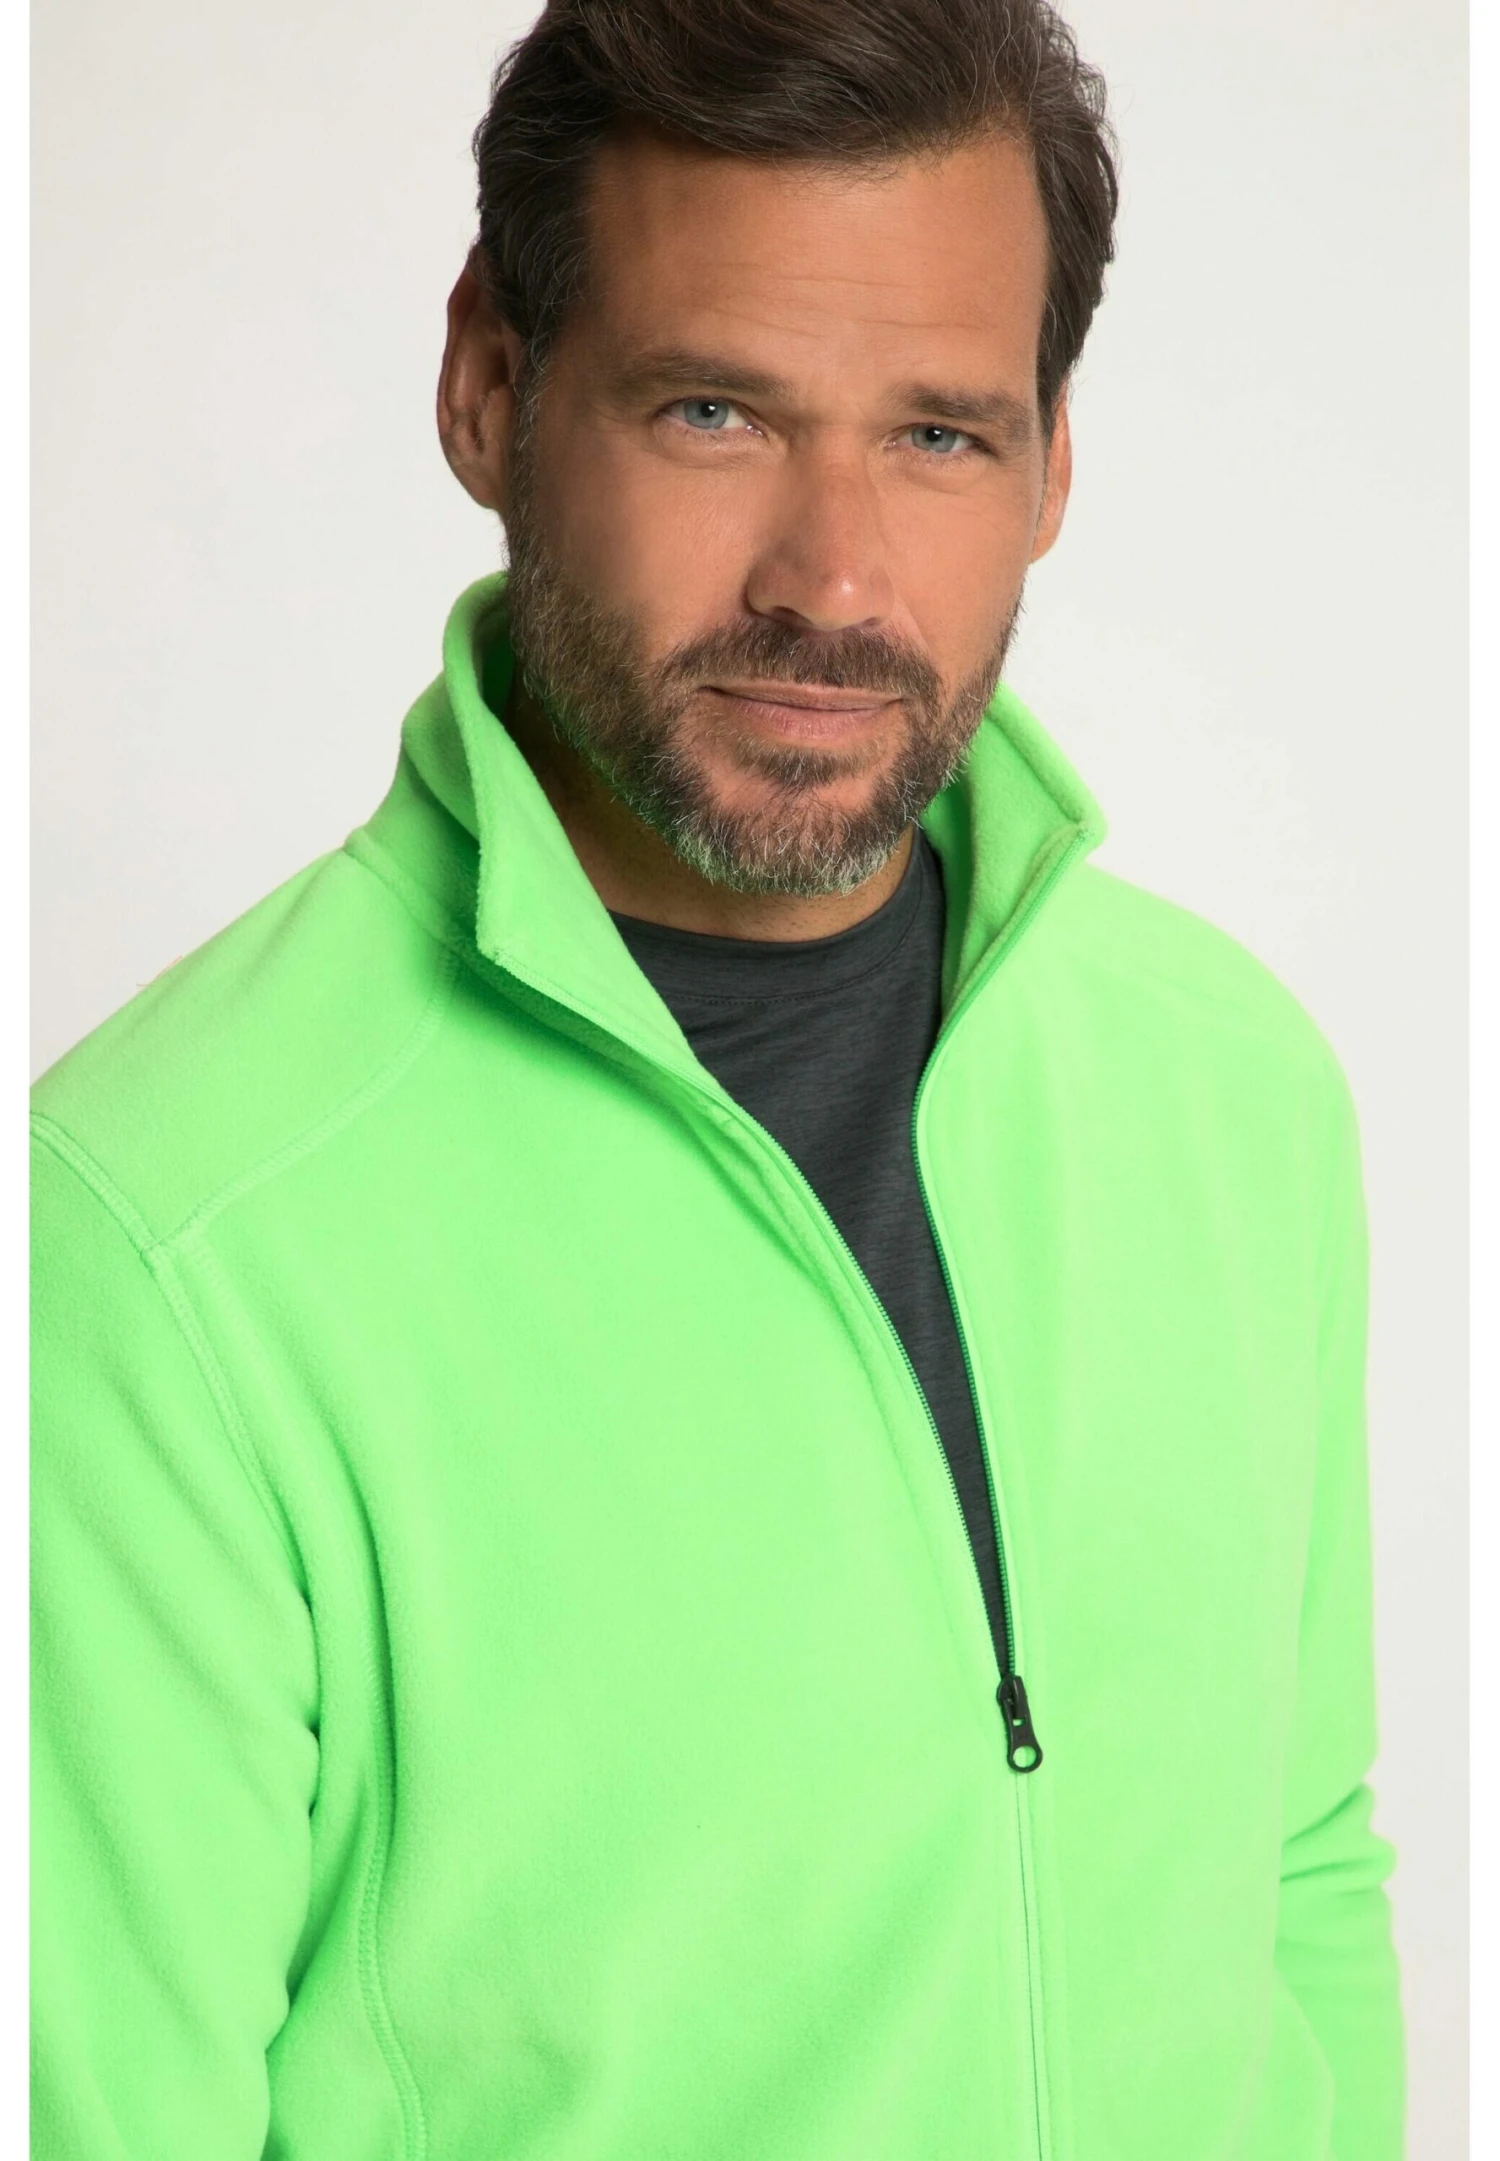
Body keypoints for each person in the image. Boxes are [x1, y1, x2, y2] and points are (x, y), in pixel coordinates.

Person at [30, 1, 1406, 2155]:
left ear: (1052, 465)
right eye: (713, 411)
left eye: (938, 435)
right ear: (491, 388)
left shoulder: (1233, 1090)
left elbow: (1295, 1869)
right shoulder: (154, 1234)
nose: (830, 579)